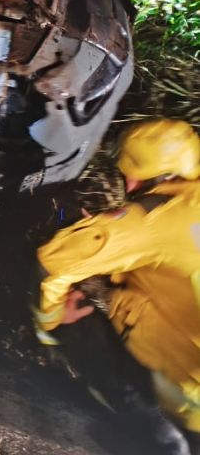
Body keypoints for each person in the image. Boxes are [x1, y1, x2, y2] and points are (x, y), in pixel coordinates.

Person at [35, 118, 200, 454]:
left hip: (187, 386)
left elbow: (53, 262)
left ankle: (132, 418)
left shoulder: (152, 221)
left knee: (157, 428)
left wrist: (49, 321)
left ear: (135, 176)